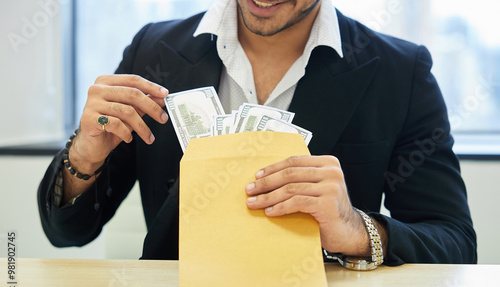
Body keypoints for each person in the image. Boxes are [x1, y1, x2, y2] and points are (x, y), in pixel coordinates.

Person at [38, 0, 477, 266]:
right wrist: (84, 158)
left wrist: (358, 231)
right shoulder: (153, 51)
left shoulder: (401, 73)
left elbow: (455, 242)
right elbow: (68, 233)